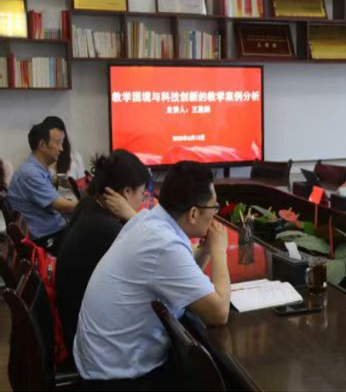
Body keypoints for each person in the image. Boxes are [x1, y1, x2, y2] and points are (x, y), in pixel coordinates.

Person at [73, 160, 230, 389]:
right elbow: (218, 313)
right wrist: (219, 250)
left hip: (102, 358)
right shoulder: (164, 244)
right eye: (214, 206)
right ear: (194, 213)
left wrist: (205, 250)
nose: (215, 213)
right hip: (116, 378)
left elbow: (179, 277)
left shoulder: (150, 220)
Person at [56, 149, 150, 353]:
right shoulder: (106, 230)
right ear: (126, 192)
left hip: (78, 322)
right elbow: (153, 258)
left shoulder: (89, 205)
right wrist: (133, 216)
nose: (143, 201)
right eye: (142, 193)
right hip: (92, 342)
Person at [7, 121, 78, 252]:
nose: (62, 149)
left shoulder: (43, 169)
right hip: (47, 239)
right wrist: (92, 203)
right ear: (42, 145)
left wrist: (60, 171)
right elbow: (62, 205)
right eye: (58, 143)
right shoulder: (30, 173)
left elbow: (68, 198)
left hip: (57, 230)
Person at [42, 116, 86, 180]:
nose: (60, 148)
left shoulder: (75, 157)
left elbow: (83, 183)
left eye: (60, 141)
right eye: (55, 142)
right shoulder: (39, 164)